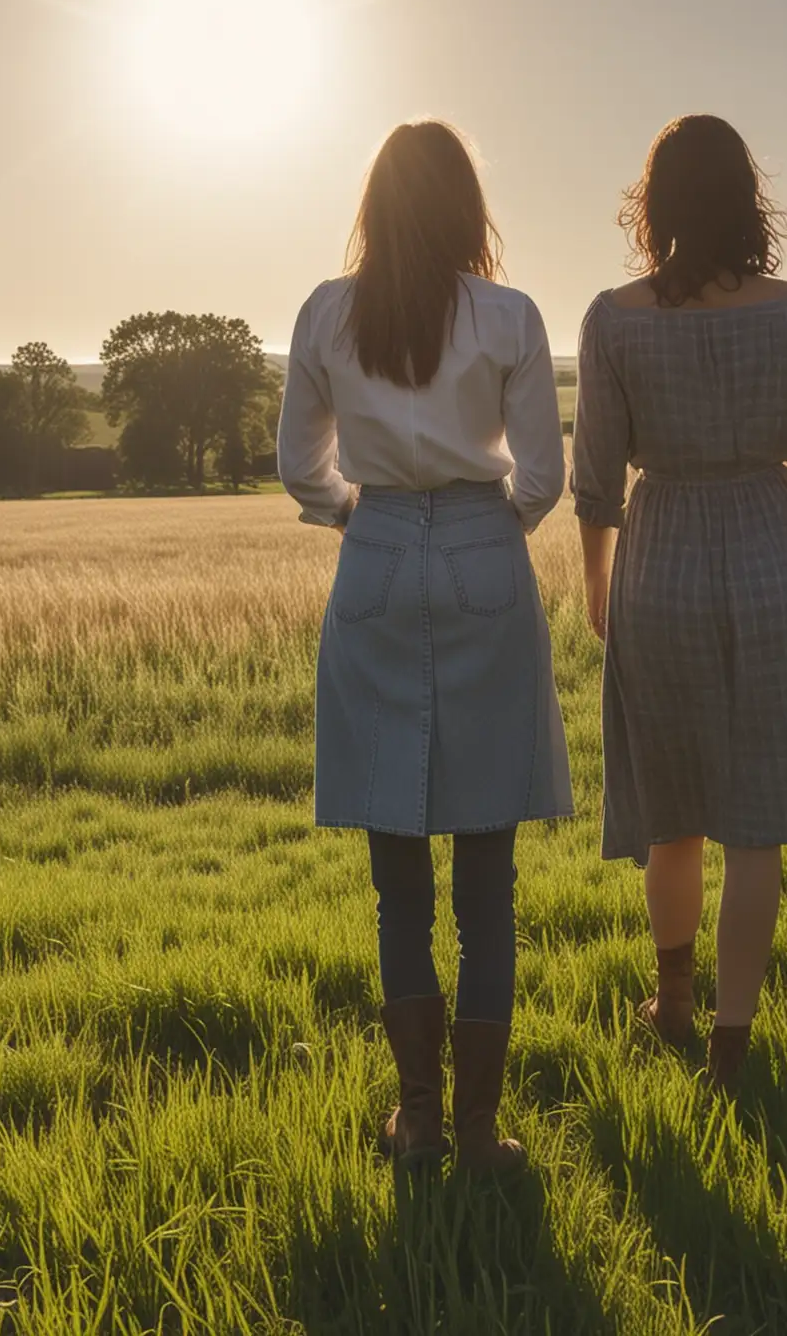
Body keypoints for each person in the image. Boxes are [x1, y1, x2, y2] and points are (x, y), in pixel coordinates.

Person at [278, 119, 573, 1170]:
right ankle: (485, 1131)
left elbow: (299, 468)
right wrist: (492, 533)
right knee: (487, 884)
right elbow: (542, 477)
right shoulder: (509, 315)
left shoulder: (325, 312)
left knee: (394, 877)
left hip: (377, 556)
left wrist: (361, 514)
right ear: (465, 208)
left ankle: (417, 1122)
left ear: (372, 206)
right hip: (485, 554)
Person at [571, 114, 787, 1091]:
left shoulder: (612, 320)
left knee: (672, 812)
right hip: (774, 563)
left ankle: (670, 999)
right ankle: (729, 1049)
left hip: (658, 562)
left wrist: (597, 581)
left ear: (653, 207)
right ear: (750, 201)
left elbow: (595, 478)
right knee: (756, 826)